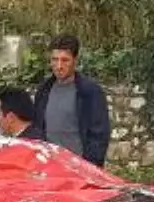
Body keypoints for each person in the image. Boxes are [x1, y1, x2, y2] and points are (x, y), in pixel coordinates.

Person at [32, 34, 111, 166]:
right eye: (54, 59)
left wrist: (90, 167)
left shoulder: (90, 92)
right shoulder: (44, 90)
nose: (59, 66)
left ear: (75, 60)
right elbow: (37, 129)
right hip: (49, 167)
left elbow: (99, 135)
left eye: (65, 60)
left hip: (80, 169)